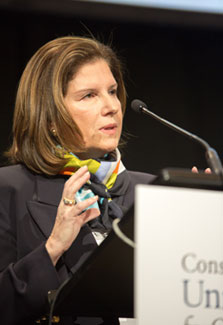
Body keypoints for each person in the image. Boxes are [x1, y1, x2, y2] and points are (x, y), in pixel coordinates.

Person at [0, 36, 155, 325]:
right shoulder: (8, 190)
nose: (112, 106)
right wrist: (54, 246)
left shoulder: (153, 192)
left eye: (112, 91)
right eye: (89, 95)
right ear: (50, 119)